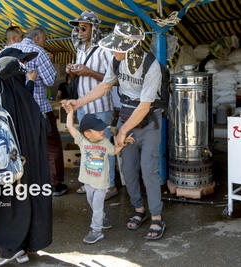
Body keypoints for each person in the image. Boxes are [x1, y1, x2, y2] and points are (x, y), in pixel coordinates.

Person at [63, 22, 166, 240]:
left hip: (149, 122)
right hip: (127, 116)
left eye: (117, 47)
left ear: (131, 47)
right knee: (128, 170)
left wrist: (122, 131)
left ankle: (157, 216)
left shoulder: (151, 67)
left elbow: (145, 106)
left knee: (149, 170)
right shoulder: (116, 61)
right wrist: (78, 103)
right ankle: (139, 209)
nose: (112, 50)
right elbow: (104, 86)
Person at [0, 49, 52, 265]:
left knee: (4, 206)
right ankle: (24, 248)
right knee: (26, 203)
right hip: (26, 169)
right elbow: (43, 127)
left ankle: (10, 250)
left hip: (1, 169)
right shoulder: (27, 101)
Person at [0, 27, 68, 197]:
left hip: (14, 110)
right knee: (51, 146)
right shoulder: (38, 51)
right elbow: (50, 80)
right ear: (38, 38)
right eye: (44, 39)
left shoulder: (5, 52)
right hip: (39, 108)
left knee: (23, 146)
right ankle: (55, 184)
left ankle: (27, 182)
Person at [64, 105, 133, 243]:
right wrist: (71, 112)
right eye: (98, 129)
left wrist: (122, 143)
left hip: (101, 184)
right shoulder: (82, 141)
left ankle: (96, 230)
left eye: (102, 128)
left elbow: (113, 151)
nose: (102, 131)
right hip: (87, 182)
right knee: (92, 203)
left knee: (96, 206)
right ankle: (101, 217)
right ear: (87, 133)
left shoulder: (105, 142)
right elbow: (70, 127)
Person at [67, 11, 118, 199]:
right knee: (88, 147)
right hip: (83, 107)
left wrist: (89, 72)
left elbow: (113, 79)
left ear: (93, 29)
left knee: (103, 146)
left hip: (101, 107)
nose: (79, 31)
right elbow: (79, 76)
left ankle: (110, 185)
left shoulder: (105, 50)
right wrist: (71, 71)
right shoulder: (80, 50)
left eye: (83, 27)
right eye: (78, 28)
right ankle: (91, 183)